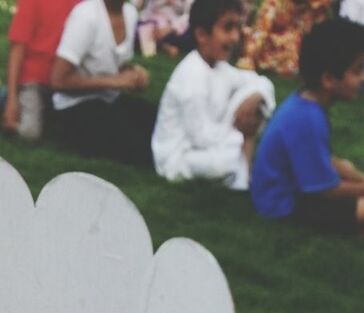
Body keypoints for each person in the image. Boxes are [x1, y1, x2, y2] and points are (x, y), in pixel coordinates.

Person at [250, 18, 364, 235]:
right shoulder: (307, 118)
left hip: (291, 187)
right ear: (328, 79)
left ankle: (354, 219)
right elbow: (325, 190)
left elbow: (323, 162)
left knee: (345, 166)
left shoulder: (306, 102)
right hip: (280, 203)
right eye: (357, 71)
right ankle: (351, 226)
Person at [151, 0, 275, 189]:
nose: (235, 37)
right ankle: (244, 171)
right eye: (227, 28)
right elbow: (201, 138)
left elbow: (261, 82)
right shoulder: (192, 76)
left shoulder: (220, 67)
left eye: (237, 28)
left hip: (214, 141)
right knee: (223, 162)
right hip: (180, 158)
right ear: (202, 35)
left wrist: (255, 98)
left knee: (253, 95)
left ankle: (243, 169)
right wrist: (242, 133)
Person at [49, 0, 158, 167]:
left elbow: (117, 64)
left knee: (158, 122)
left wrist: (135, 74)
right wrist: (113, 82)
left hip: (109, 99)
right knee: (140, 149)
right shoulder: (86, 16)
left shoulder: (130, 14)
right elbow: (58, 80)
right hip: (75, 107)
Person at [2, 0, 78, 141]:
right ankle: (10, 98)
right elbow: (17, 47)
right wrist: (11, 100)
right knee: (30, 134)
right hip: (33, 80)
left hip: (67, 79)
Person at [238, 0, 332, 78]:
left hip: (299, 48)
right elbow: (261, 30)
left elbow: (320, 31)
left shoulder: (313, 7)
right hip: (273, 46)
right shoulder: (275, 3)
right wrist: (249, 57)